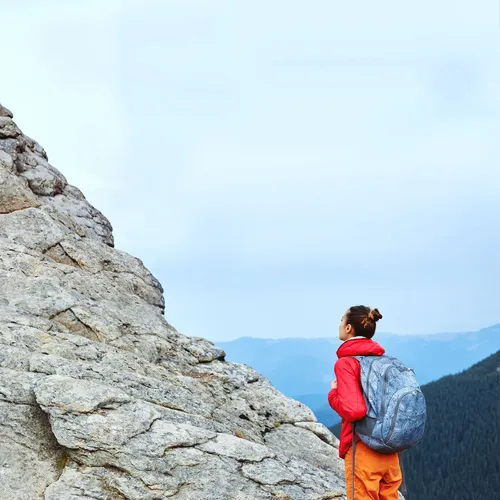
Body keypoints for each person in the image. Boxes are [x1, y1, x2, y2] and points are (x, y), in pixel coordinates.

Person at [328, 306, 402, 500]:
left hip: (363, 448)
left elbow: (355, 410)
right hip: (389, 449)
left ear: (349, 328)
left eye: (341, 320)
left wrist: (334, 394)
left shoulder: (346, 363)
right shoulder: (384, 360)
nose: (339, 324)